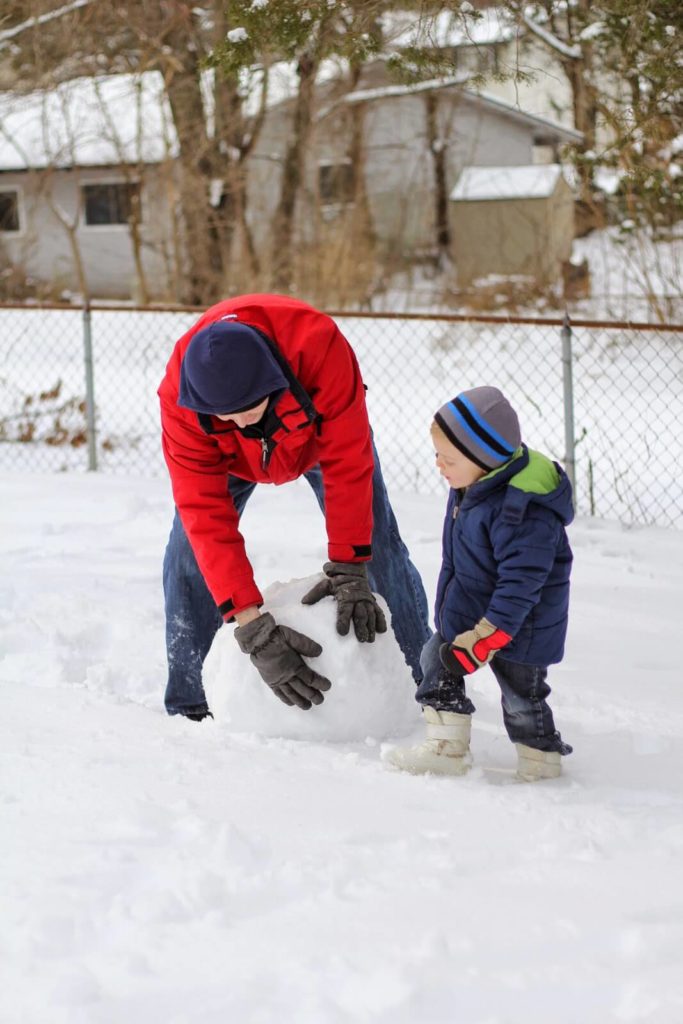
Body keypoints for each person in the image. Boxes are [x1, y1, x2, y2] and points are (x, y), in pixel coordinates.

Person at [158, 293, 431, 720]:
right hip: (228, 462)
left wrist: (349, 564)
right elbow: (203, 512)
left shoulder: (319, 348)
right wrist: (251, 627)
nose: (242, 423)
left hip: (317, 443)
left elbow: (346, 463)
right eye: (226, 417)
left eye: (248, 410)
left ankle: (427, 683)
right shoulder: (181, 400)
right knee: (188, 557)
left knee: (376, 545)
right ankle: (190, 703)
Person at [386, 386, 573, 781]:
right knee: (435, 663)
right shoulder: (473, 486)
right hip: (467, 613)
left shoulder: (522, 511)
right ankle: (446, 748)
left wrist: (488, 635)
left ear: (484, 460)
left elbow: (521, 584)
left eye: (448, 458)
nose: (438, 465)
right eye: (437, 454)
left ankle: (540, 760)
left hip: (519, 625)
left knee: (522, 696)